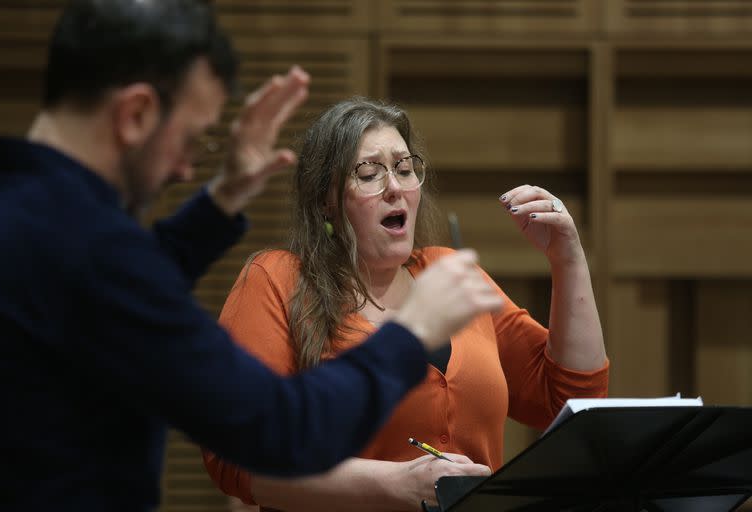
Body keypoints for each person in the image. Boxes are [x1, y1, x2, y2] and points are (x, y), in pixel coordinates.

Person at [0, 2, 504, 511]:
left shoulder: (14, 209)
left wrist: (221, 200)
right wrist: (411, 333)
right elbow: (278, 430)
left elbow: (105, 284)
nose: (186, 168)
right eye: (189, 137)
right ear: (137, 113)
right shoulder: (99, 251)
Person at [203, 98, 610, 511]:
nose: (395, 186)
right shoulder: (278, 279)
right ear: (327, 199)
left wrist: (567, 257)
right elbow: (234, 454)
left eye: (403, 168)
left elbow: (567, 400)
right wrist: (397, 483)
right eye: (369, 173)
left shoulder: (447, 271)